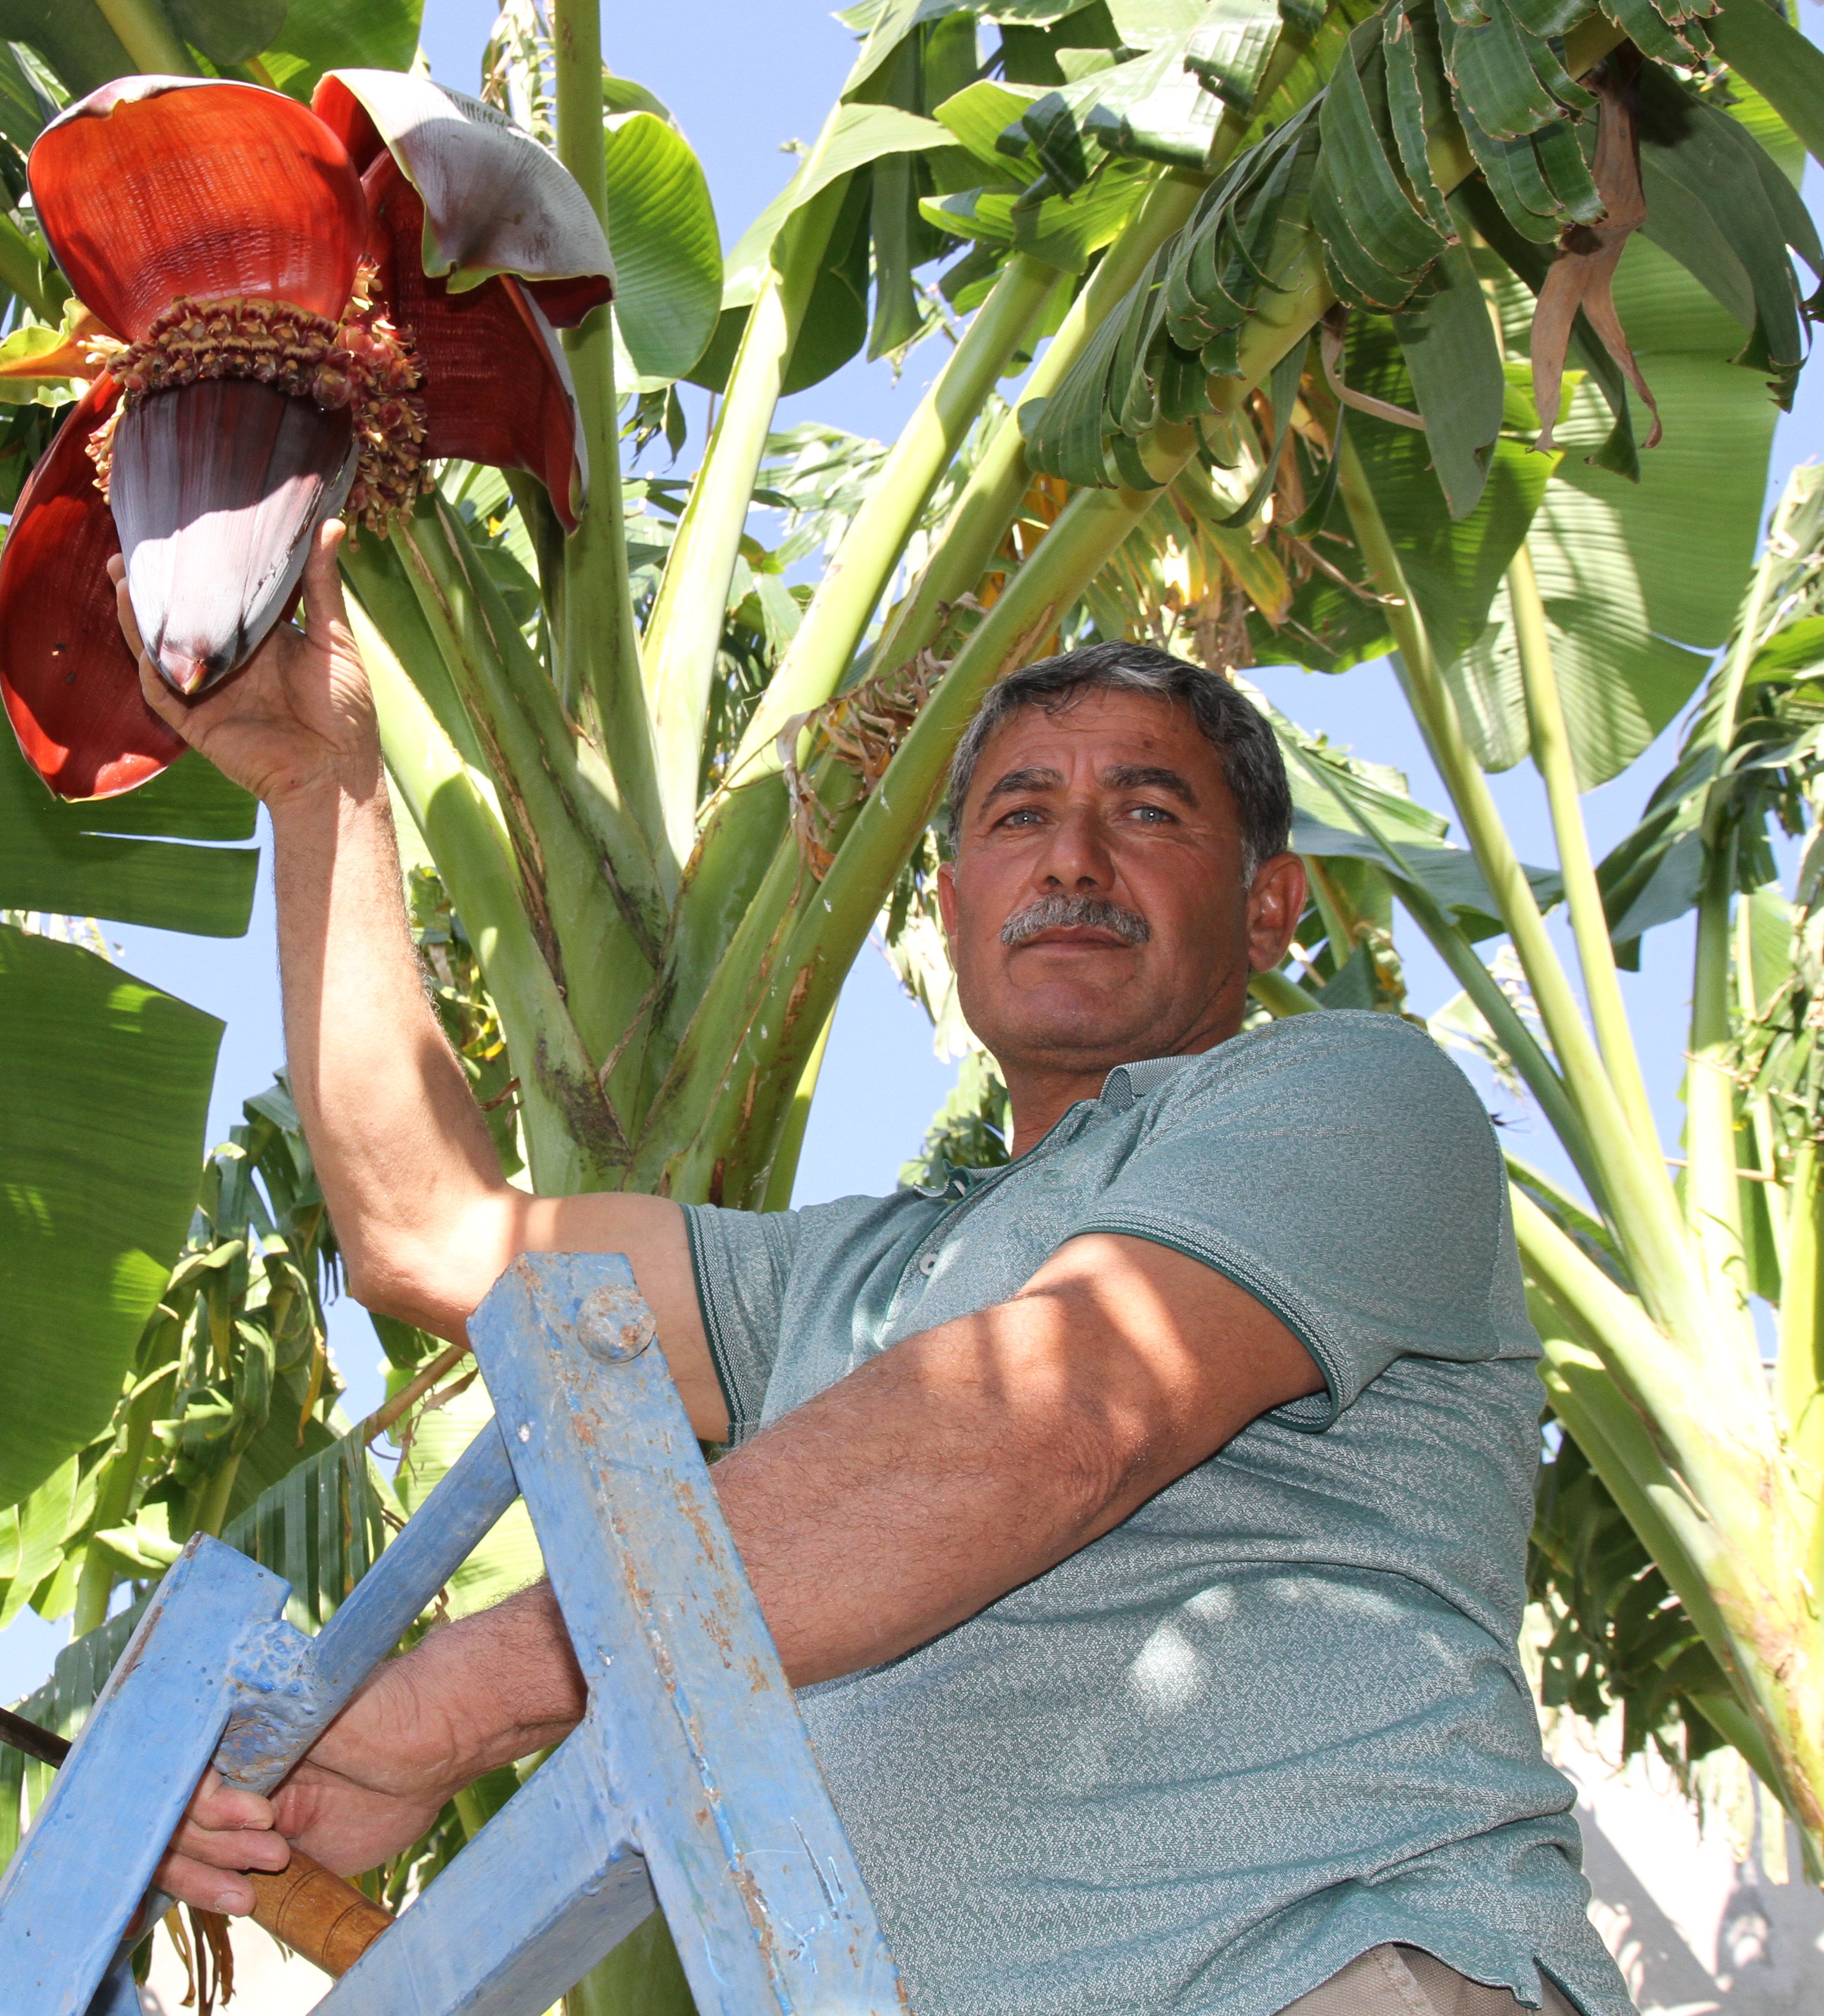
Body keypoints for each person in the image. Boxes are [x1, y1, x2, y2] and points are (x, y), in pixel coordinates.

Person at [114, 524, 1635, 2016]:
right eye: (1018, 815)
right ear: (956, 904)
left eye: (1151, 812)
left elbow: (1049, 1416)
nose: (1074, 859)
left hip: (1336, 1976)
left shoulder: (1350, 1101)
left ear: (1271, 904)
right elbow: (430, 1234)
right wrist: (323, 790)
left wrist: (450, 1706)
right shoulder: (835, 1282)